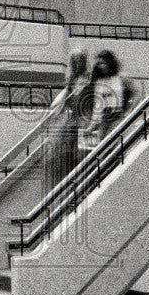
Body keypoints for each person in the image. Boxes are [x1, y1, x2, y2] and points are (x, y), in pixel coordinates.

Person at [43, 49, 91, 195]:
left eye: (78, 60)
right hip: (74, 120)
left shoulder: (88, 78)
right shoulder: (72, 80)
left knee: (81, 155)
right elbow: (65, 98)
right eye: (74, 61)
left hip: (85, 120)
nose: (76, 63)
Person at [84, 50, 130, 148]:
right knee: (102, 146)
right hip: (105, 118)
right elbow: (98, 104)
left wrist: (128, 112)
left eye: (104, 63)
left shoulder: (120, 78)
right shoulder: (100, 82)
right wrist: (92, 125)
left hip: (117, 116)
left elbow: (135, 94)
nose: (101, 66)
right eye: (99, 63)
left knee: (114, 144)